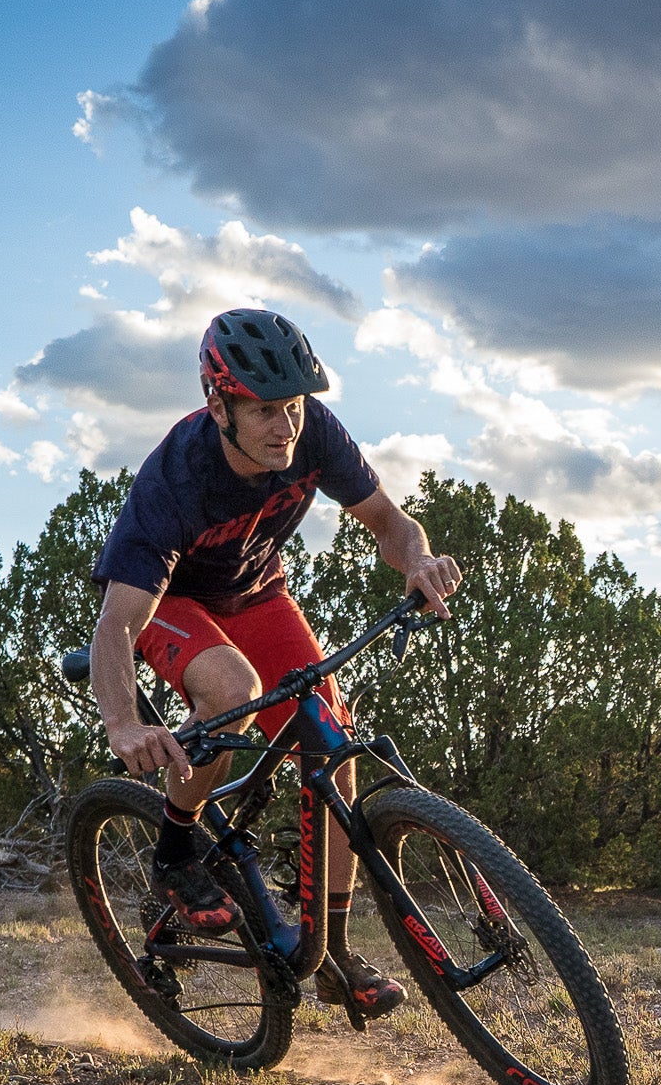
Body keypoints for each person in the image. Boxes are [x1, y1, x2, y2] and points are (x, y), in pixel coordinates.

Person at [87, 307, 460, 1020]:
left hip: (258, 593)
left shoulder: (313, 432)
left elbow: (390, 523)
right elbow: (116, 625)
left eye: (292, 407)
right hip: (175, 603)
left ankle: (335, 954)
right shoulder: (177, 479)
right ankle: (174, 850)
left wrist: (418, 560)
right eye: (264, 411)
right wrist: (122, 722)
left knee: (330, 733)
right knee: (233, 688)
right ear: (218, 405)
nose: (284, 427)